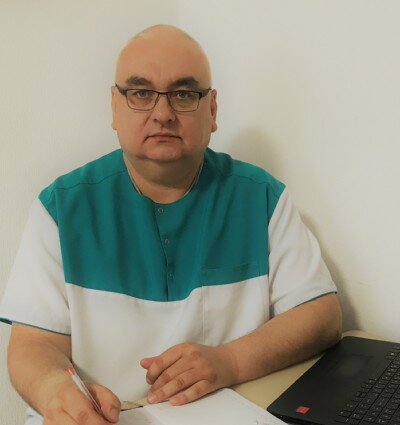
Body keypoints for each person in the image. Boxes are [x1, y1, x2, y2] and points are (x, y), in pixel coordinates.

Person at [0, 24, 342, 425]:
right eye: (141, 93)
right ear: (114, 107)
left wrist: (229, 361)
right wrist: (55, 391)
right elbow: (33, 345)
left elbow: (321, 315)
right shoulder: (60, 208)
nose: (162, 114)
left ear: (212, 110)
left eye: (184, 94)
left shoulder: (261, 198)